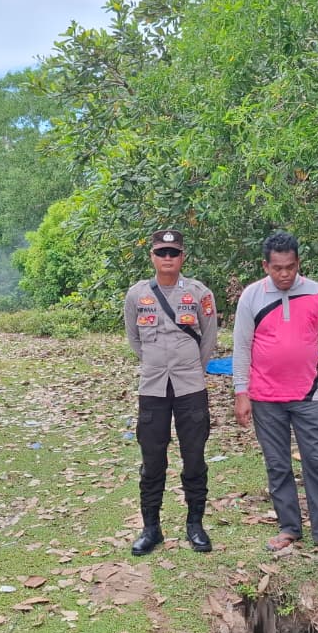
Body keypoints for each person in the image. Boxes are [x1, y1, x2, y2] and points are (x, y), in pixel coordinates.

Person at [232, 231, 318, 561]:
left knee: (317, 460)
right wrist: (241, 392)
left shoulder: (317, 294)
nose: (284, 274)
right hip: (264, 396)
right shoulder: (251, 297)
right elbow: (242, 346)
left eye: (290, 267)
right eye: (277, 268)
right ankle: (289, 527)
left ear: (298, 263)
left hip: (309, 395)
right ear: (266, 266)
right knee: (278, 465)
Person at [123, 229, 218, 556]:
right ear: (152, 256)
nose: (167, 258)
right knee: (152, 460)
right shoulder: (136, 295)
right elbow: (135, 339)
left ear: (182, 257)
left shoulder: (199, 293)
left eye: (173, 253)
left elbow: (208, 338)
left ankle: (195, 524)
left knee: (194, 457)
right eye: (161, 252)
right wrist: (157, 362)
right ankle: (151, 528)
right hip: (152, 388)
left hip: (190, 387)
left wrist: (189, 365)